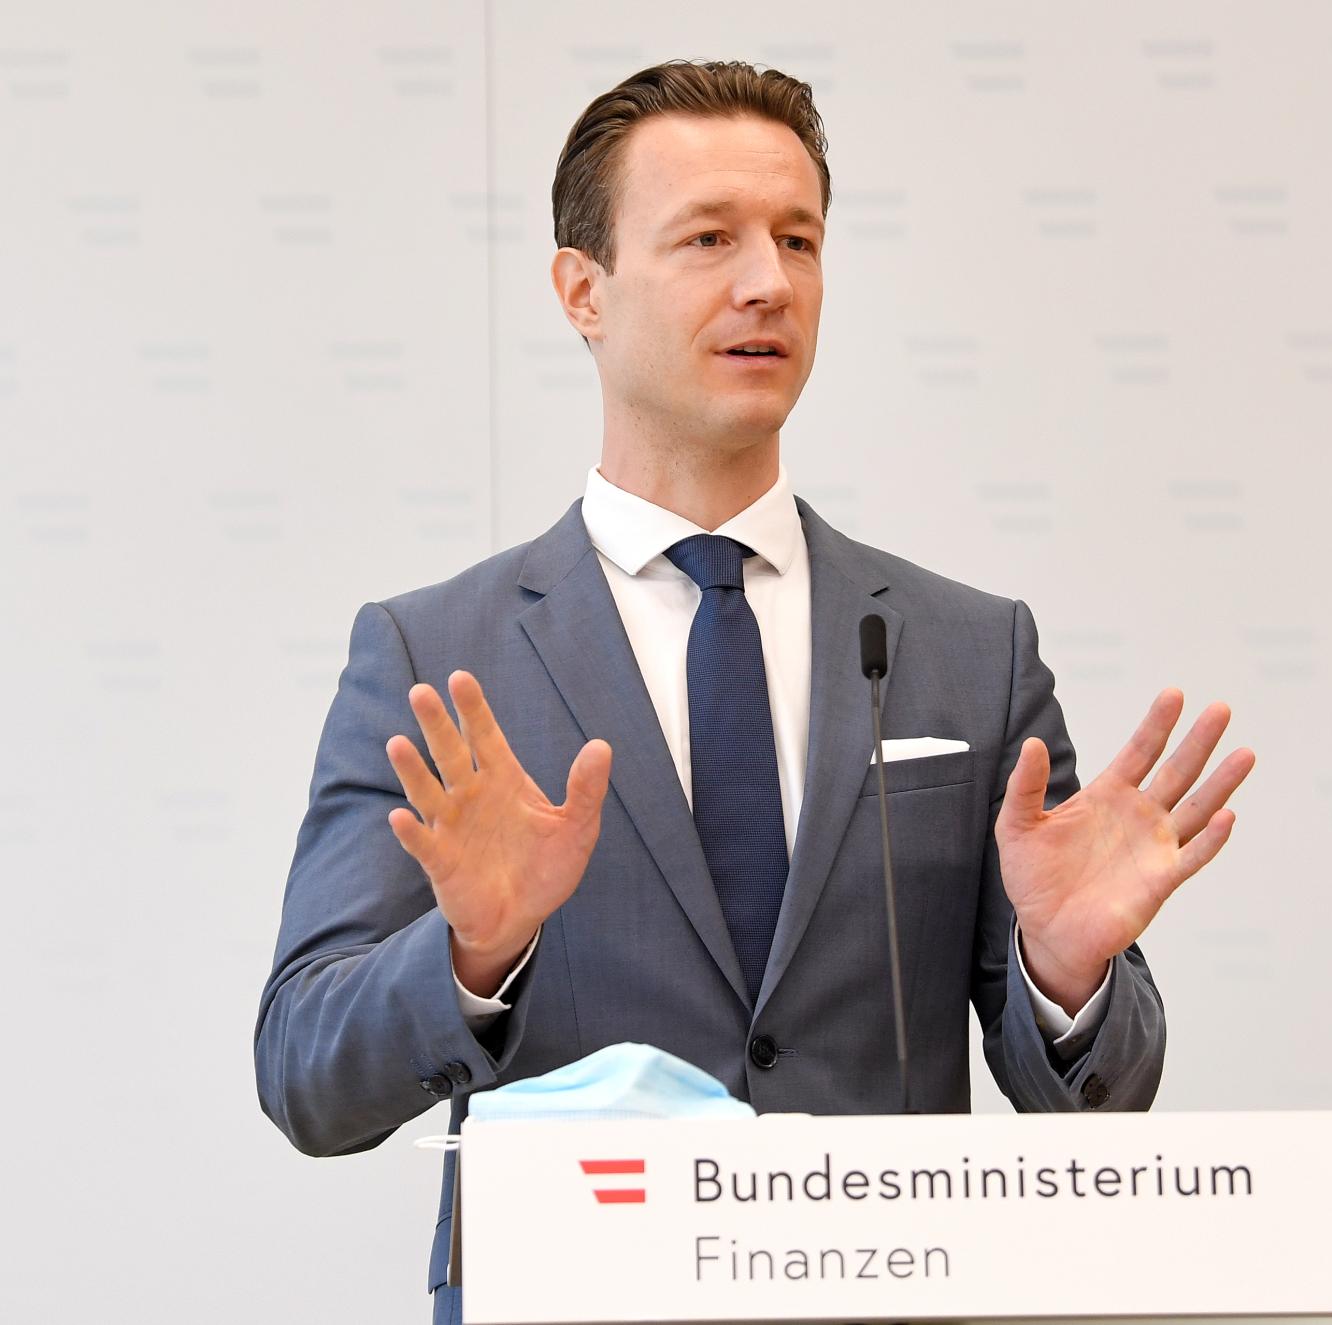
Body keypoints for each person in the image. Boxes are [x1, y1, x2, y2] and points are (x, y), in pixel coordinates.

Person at [253, 59, 1255, 1324]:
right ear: (582, 290)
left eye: (798, 239)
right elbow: (304, 1074)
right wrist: (470, 954)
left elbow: (1097, 1097)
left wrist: (1062, 976)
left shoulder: (968, 650)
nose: (768, 281)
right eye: (708, 238)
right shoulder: (439, 653)